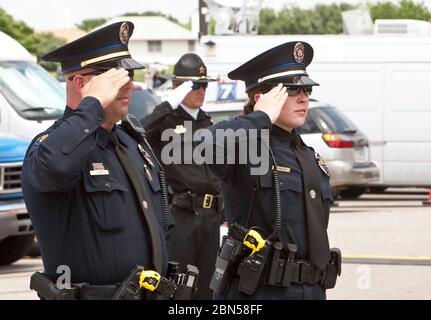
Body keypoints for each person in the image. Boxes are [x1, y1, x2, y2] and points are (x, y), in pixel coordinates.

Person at [21, 22, 174, 300]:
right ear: (80, 83)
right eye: (114, 77)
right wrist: (92, 104)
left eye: (128, 74)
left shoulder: (130, 141)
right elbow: (54, 167)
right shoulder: (50, 147)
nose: (128, 84)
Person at [205, 41, 341, 299]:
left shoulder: (309, 156)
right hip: (258, 291)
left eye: (306, 89)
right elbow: (203, 145)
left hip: (310, 289)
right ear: (261, 98)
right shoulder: (246, 148)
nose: (304, 97)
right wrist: (260, 117)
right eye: (291, 90)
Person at [141, 53, 223, 299]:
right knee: (179, 289)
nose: (202, 90)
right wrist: (168, 105)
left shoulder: (207, 122)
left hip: (211, 217)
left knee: (207, 288)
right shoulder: (165, 121)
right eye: (195, 85)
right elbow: (137, 131)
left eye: (204, 84)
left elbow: (218, 171)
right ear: (178, 86)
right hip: (181, 216)